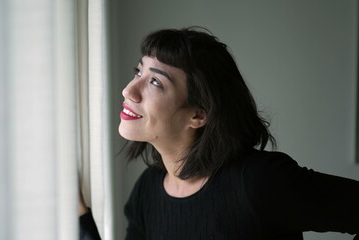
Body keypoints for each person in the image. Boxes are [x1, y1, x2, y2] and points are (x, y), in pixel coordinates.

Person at [79, 27, 359, 240]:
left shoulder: (258, 181)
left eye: (154, 81)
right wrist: (79, 216)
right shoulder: (148, 190)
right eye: (138, 72)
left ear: (198, 114)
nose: (129, 90)